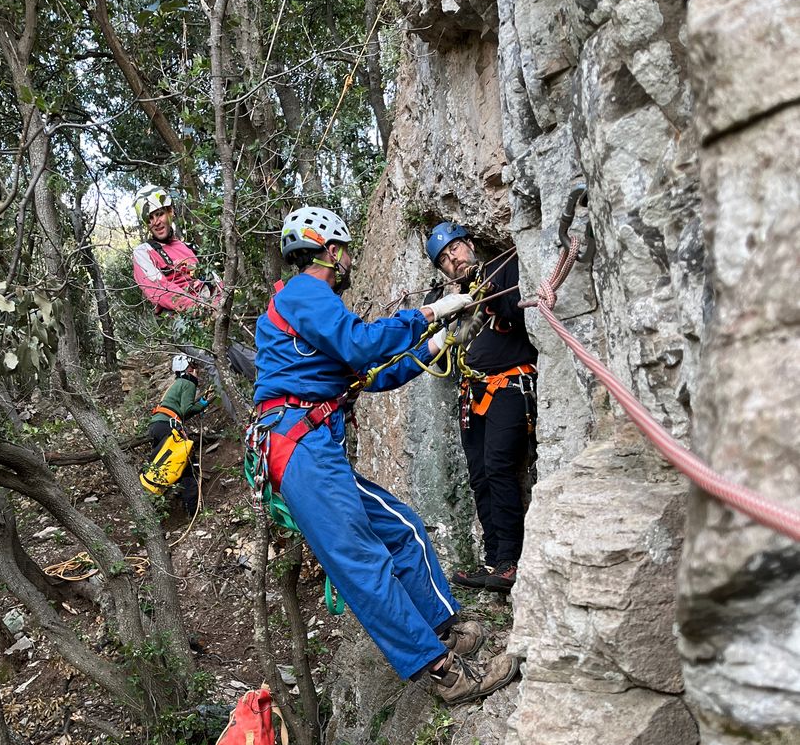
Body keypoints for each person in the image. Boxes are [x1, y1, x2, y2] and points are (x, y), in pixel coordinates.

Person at [248, 205, 519, 706]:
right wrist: (430, 314)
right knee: (365, 563)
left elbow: (373, 374)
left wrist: (437, 344)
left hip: (312, 445)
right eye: (345, 251)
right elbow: (362, 344)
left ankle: (443, 628)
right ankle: (445, 674)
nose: (349, 260)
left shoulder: (311, 314)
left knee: (402, 529)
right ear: (330, 251)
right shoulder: (307, 289)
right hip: (299, 446)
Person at [425, 221, 538, 592]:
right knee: (479, 475)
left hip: (509, 385)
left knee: (498, 467)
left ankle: (510, 562)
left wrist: (485, 284)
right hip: (472, 394)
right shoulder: (455, 302)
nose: (452, 259)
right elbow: (441, 357)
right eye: (444, 259)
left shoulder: (502, 269)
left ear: (469, 244)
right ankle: (494, 561)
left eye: (454, 249)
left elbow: (516, 312)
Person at [132, 184, 223, 314]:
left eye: (159, 214)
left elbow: (217, 281)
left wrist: (222, 306)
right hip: (185, 322)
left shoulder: (191, 248)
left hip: (215, 311)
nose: (156, 222)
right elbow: (160, 290)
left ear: (170, 212)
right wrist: (202, 309)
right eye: (150, 219)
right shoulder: (144, 253)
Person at [143, 354, 208, 516]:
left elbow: (179, 410)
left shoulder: (176, 384)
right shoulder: (187, 383)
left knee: (162, 466)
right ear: (186, 369)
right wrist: (200, 406)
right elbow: (186, 409)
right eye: (192, 367)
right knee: (188, 467)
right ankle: (193, 511)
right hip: (168, 426)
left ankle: (151, 507)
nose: (195, 370)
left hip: (157, 425)